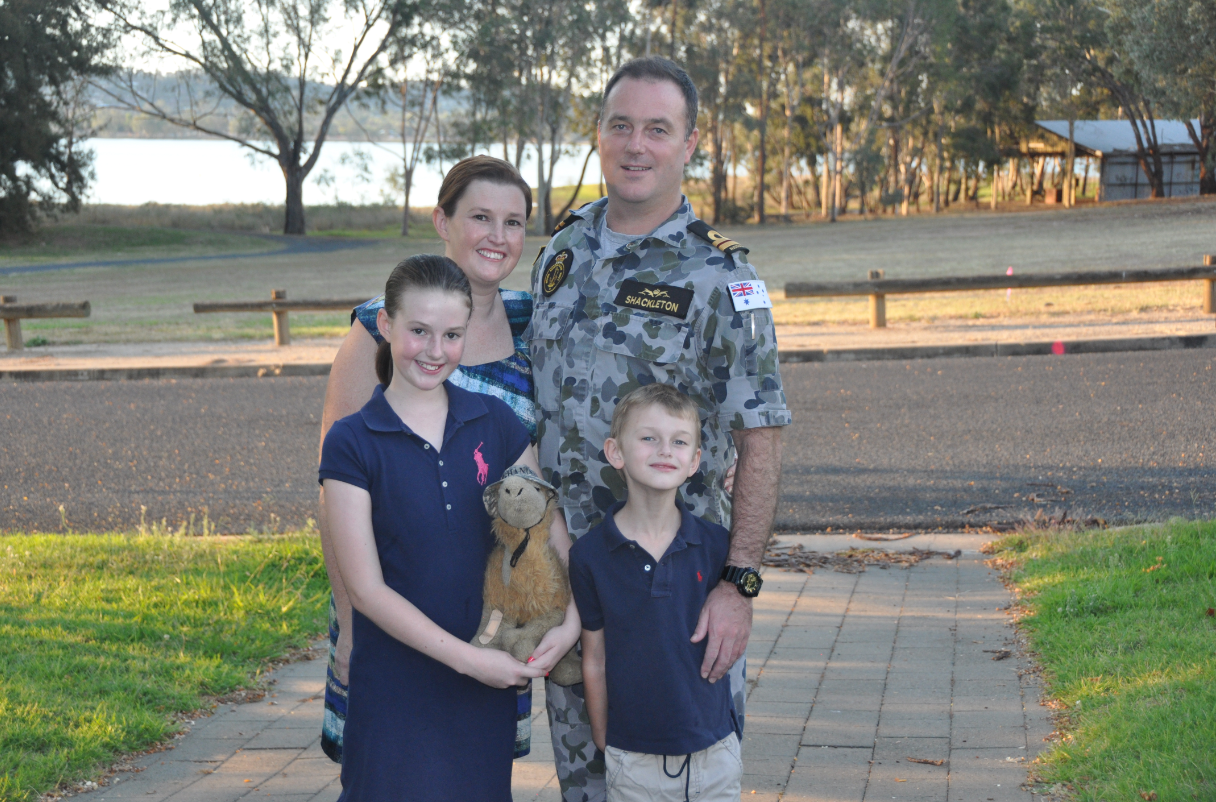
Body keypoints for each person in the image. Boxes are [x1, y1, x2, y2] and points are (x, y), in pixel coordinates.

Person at [528, 56, 789, 800]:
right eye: (620, 126)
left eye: (657, 129)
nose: (635, 145)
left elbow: (760, 435)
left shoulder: (719, 277)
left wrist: (738, 583)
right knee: (587, 779)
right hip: (570, 576)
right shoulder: (562, 251)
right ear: (599, 135)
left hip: (675, 593)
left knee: (680, 778)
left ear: (690, 142)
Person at [317, 156, 580, 763]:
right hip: (392, 602)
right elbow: (334, 491)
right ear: (442, 220)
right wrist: (353, 624)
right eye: (480, 217)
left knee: (473, 772)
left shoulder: (536, 324)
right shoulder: (379, 331)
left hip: (491, 607)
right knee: (388, 771)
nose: (498, 236)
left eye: (514, 222)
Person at [570, 384, 742, 802]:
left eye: (679, 442)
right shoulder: (590, 555)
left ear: (694, 462)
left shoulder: (718, 544)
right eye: (649, 438)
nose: (665, 450)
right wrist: (602, 736)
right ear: (616, 453)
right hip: (633, 759)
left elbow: (748, 588)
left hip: (715, 751)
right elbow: (595, 657)